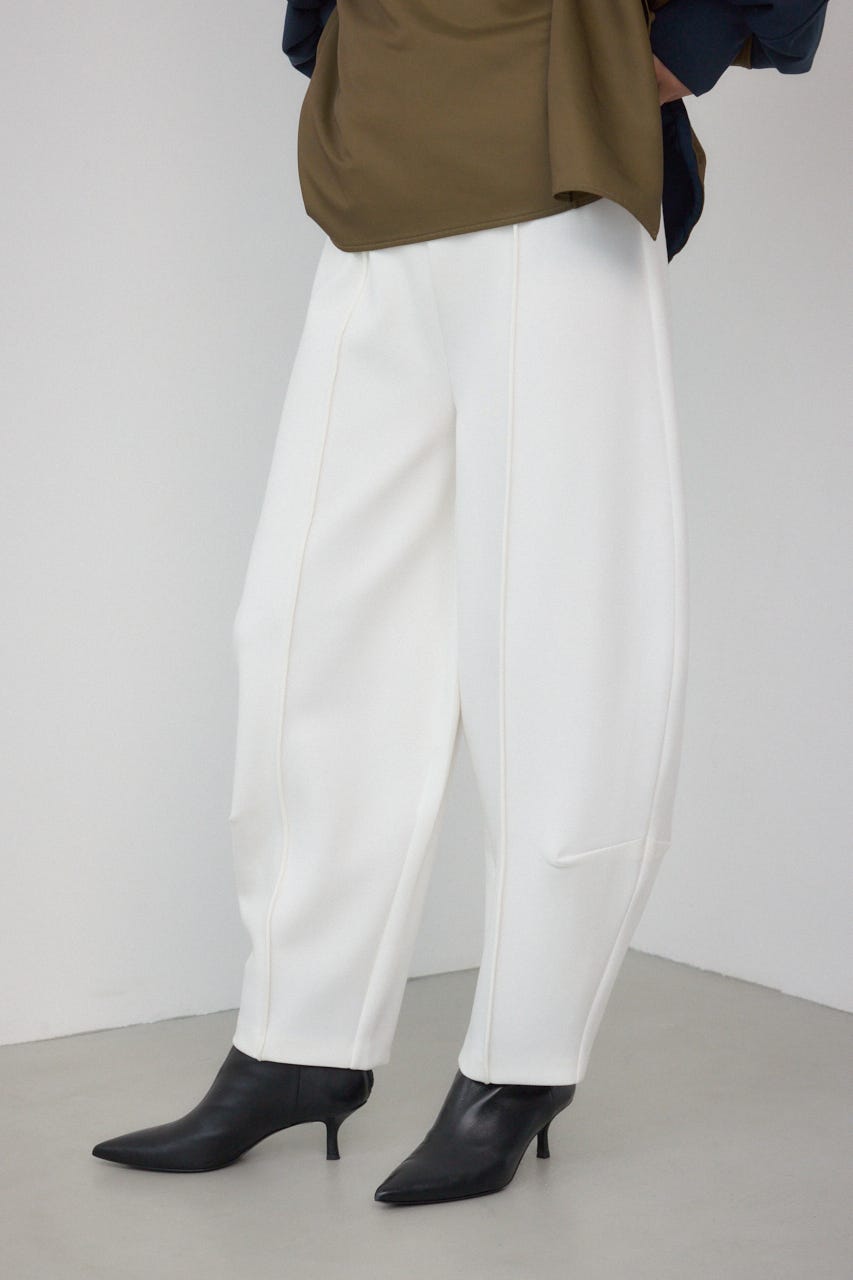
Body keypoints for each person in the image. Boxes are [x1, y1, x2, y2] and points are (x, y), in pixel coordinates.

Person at [91, 0, 829, 1205]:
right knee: (306, 628)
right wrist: (333, 46)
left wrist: (682, 45)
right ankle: (297, 1036)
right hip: (382, 151)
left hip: (558, 134)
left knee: (561, 631)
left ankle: (522, 1058)